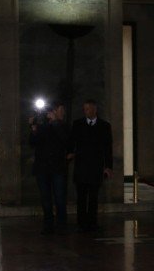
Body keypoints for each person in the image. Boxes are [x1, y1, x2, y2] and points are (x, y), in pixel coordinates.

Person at [68, 100, 112, 232]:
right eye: (84, 109)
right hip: (81, 167)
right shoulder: (78, 124)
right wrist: (70, 153)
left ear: (94, 109)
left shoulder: (104, 126)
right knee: (81, 197)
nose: (86, 111)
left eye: (88, 108)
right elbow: (72, 142)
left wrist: (108, 166)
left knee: (93, 197)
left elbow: (108, 148)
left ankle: (92, 223)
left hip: (96, 167)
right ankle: (81, 223)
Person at [29, 102, 69, 234]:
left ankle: (62, 225)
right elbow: (32, 142)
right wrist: (33, 128)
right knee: (45, 198)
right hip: (42, 167)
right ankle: (48, 224)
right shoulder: (42, 126)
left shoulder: (63, 125)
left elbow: (65, 139)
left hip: (57, 167)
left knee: (59, 197)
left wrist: (55, 122)